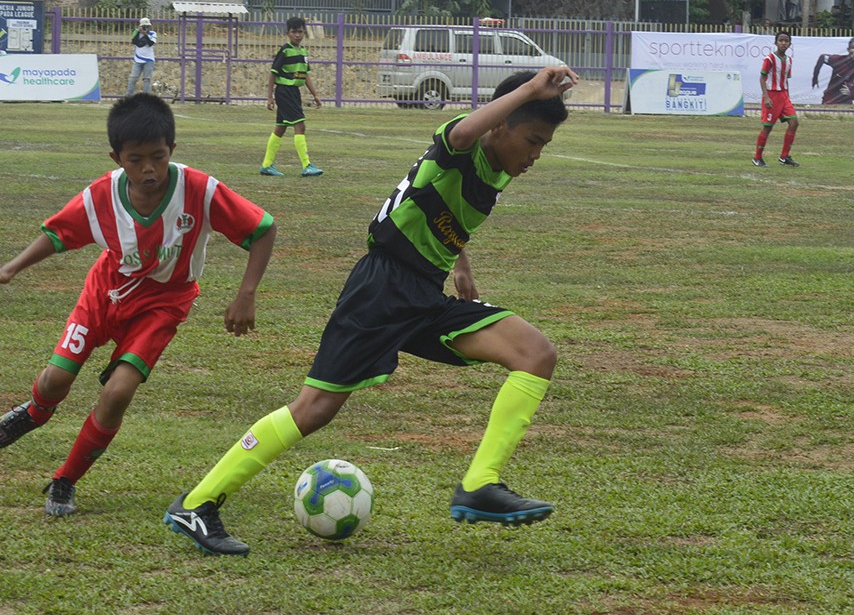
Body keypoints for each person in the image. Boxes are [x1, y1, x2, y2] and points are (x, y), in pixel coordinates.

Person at [165, 64, 579, 556]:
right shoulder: (462, 141)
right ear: (500, 125)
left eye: (543, 146)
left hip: (424, 293)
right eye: (532, 141)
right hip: (381, 288)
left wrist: (460, 262)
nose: (535, 155)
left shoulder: (497, 165)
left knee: (535, 353)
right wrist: (530, 88)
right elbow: (461, 136)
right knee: (314, 409)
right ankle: (197, 503)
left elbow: (435, 200)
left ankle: (480, 484)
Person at [0, 93, 277, 517]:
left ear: (172, 149)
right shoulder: (102, 195)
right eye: (136, 160)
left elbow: (262, 229)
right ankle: (36, 412)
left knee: (117, 393)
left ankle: (65, 480)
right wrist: (10, 268)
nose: (149, 169)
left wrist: (246, 293)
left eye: (158, 157)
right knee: (56, 380)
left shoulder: (200, 190)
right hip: (105, 294)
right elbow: (58, 235)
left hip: (164, 304)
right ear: (117, 158)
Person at [259, 16, 323, 177]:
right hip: (284, 91)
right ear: (288, 33)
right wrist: (269, 97)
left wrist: (315, 94)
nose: (297, 35)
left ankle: (266, 164)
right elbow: (273, 74)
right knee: (300, 125)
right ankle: (306, 165)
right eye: (294, 32)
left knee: (280, 127)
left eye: (300, 32)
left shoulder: (303, 51)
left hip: (294, 92)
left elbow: (305, 75)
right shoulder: (285, 50)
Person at [753, 30, 799, 168]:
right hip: (772, 95)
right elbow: (762, 78)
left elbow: (785, 80)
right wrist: (766, 97)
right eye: (781, 40)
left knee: (794, 122)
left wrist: (788, 96)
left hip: (783, 96)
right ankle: (757, 158)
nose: (783, 43)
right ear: (776, 42)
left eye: (786, 41)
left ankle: (784, 157)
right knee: (768, 127)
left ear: (790, 44)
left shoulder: (789, 60)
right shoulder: (770, 59)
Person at [811, 36, 854, 105]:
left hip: (846, 104)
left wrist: (851, 93)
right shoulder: (839, 60)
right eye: (853, 48)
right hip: (829, 100)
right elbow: (822, 57)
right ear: (848, 49)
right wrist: (815, 77)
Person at [126, 18, 156, 96]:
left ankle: (145, 98)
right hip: (138, 59)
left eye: (148, 26)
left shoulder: (153, 33)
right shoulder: (137, 32)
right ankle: (128, 96)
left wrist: (145, 34)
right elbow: (134, 42)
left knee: (147, 79)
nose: (146, 28)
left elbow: (150, 43)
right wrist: (139, 32)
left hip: (149, 60)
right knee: (133, 78)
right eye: (144, 26)